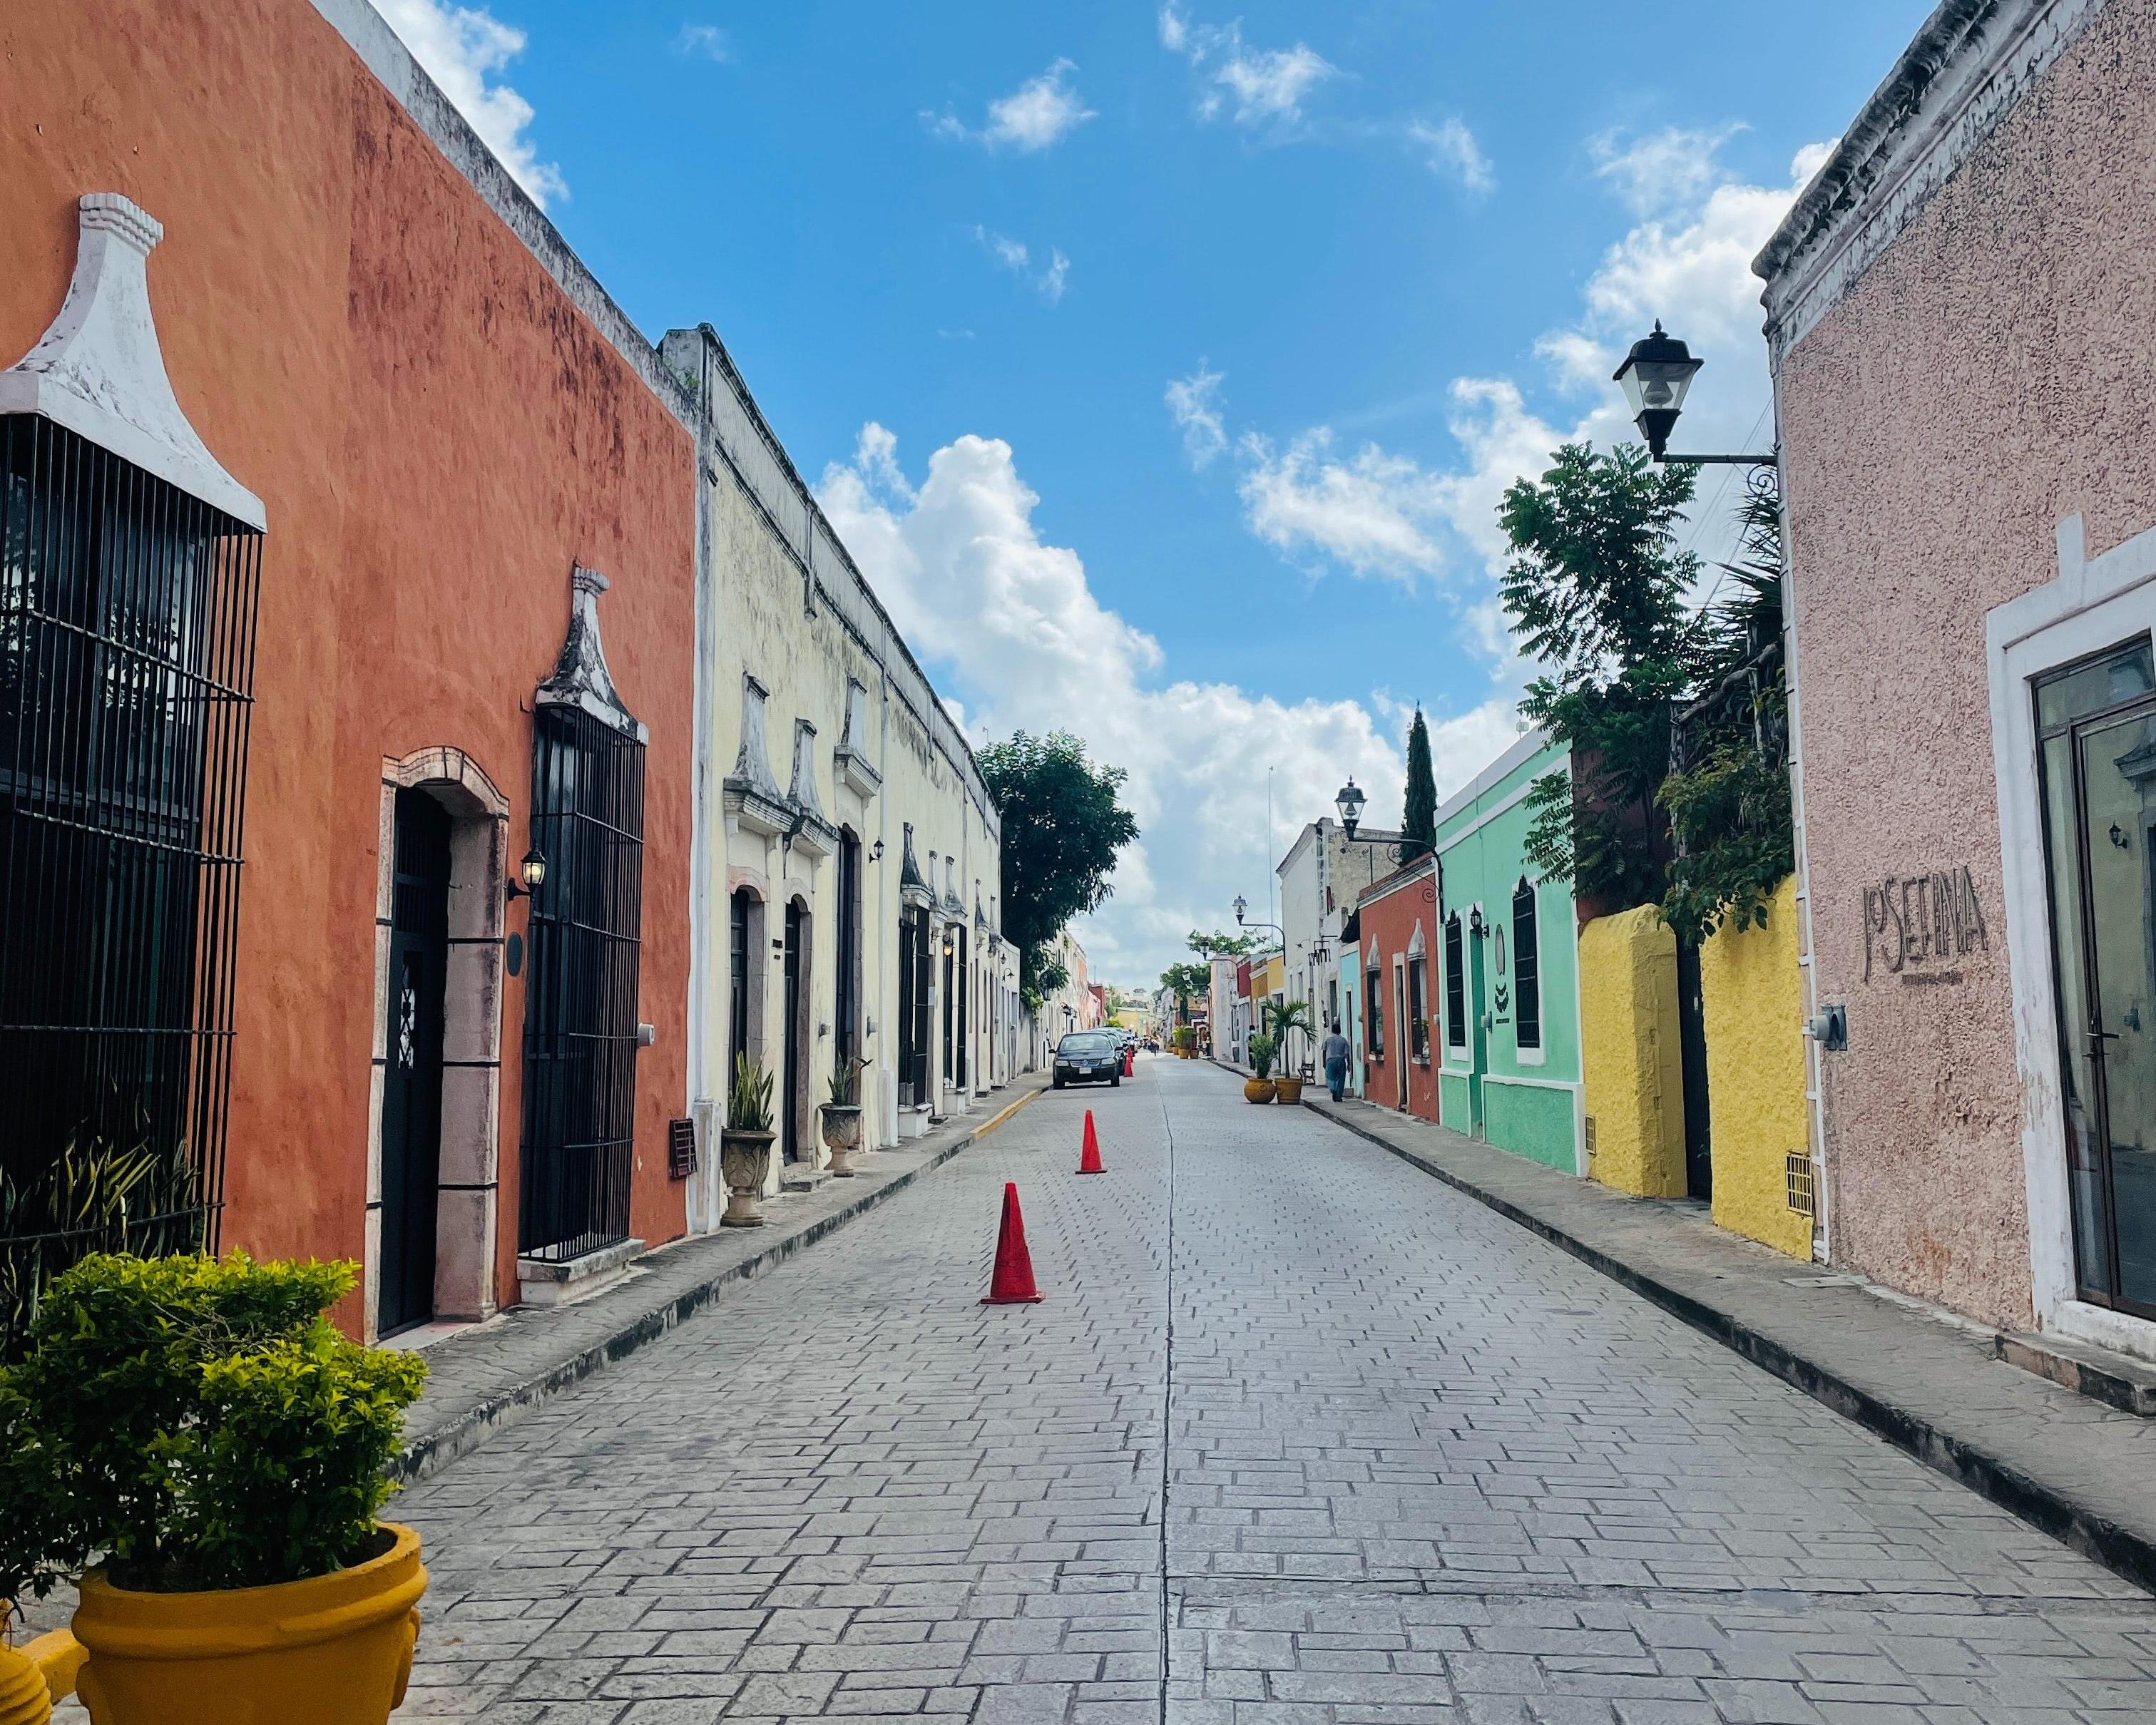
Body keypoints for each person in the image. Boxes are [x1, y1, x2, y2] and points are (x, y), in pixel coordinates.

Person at [1321, 1020, 1351, 1102]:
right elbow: (1346, 1054)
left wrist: (1324, 1062)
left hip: (1330, 1061)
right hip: (1341, 1061)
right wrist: (1349, 1064)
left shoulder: (1328, 1039)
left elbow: (1324, 1051)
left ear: (1332, 1030)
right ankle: (1339, 1096)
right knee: (1341, 1079)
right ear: (1340, 1031)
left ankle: (1333, 1089)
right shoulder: (1343, 1040)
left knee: (1331, 1077)